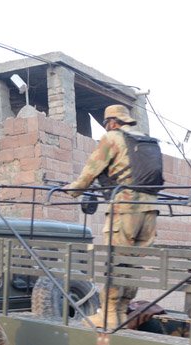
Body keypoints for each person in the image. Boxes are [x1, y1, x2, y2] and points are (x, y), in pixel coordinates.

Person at [66, 104, 160, 328]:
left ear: (111, 122)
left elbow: (91, 171)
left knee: (115, 262)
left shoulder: (112, 138)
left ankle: (108, 314)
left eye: (107, 124)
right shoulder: (146, 140)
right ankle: (121, 311)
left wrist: (72, 190)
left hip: (125, 208)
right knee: (133, 264)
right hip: (150, 210)